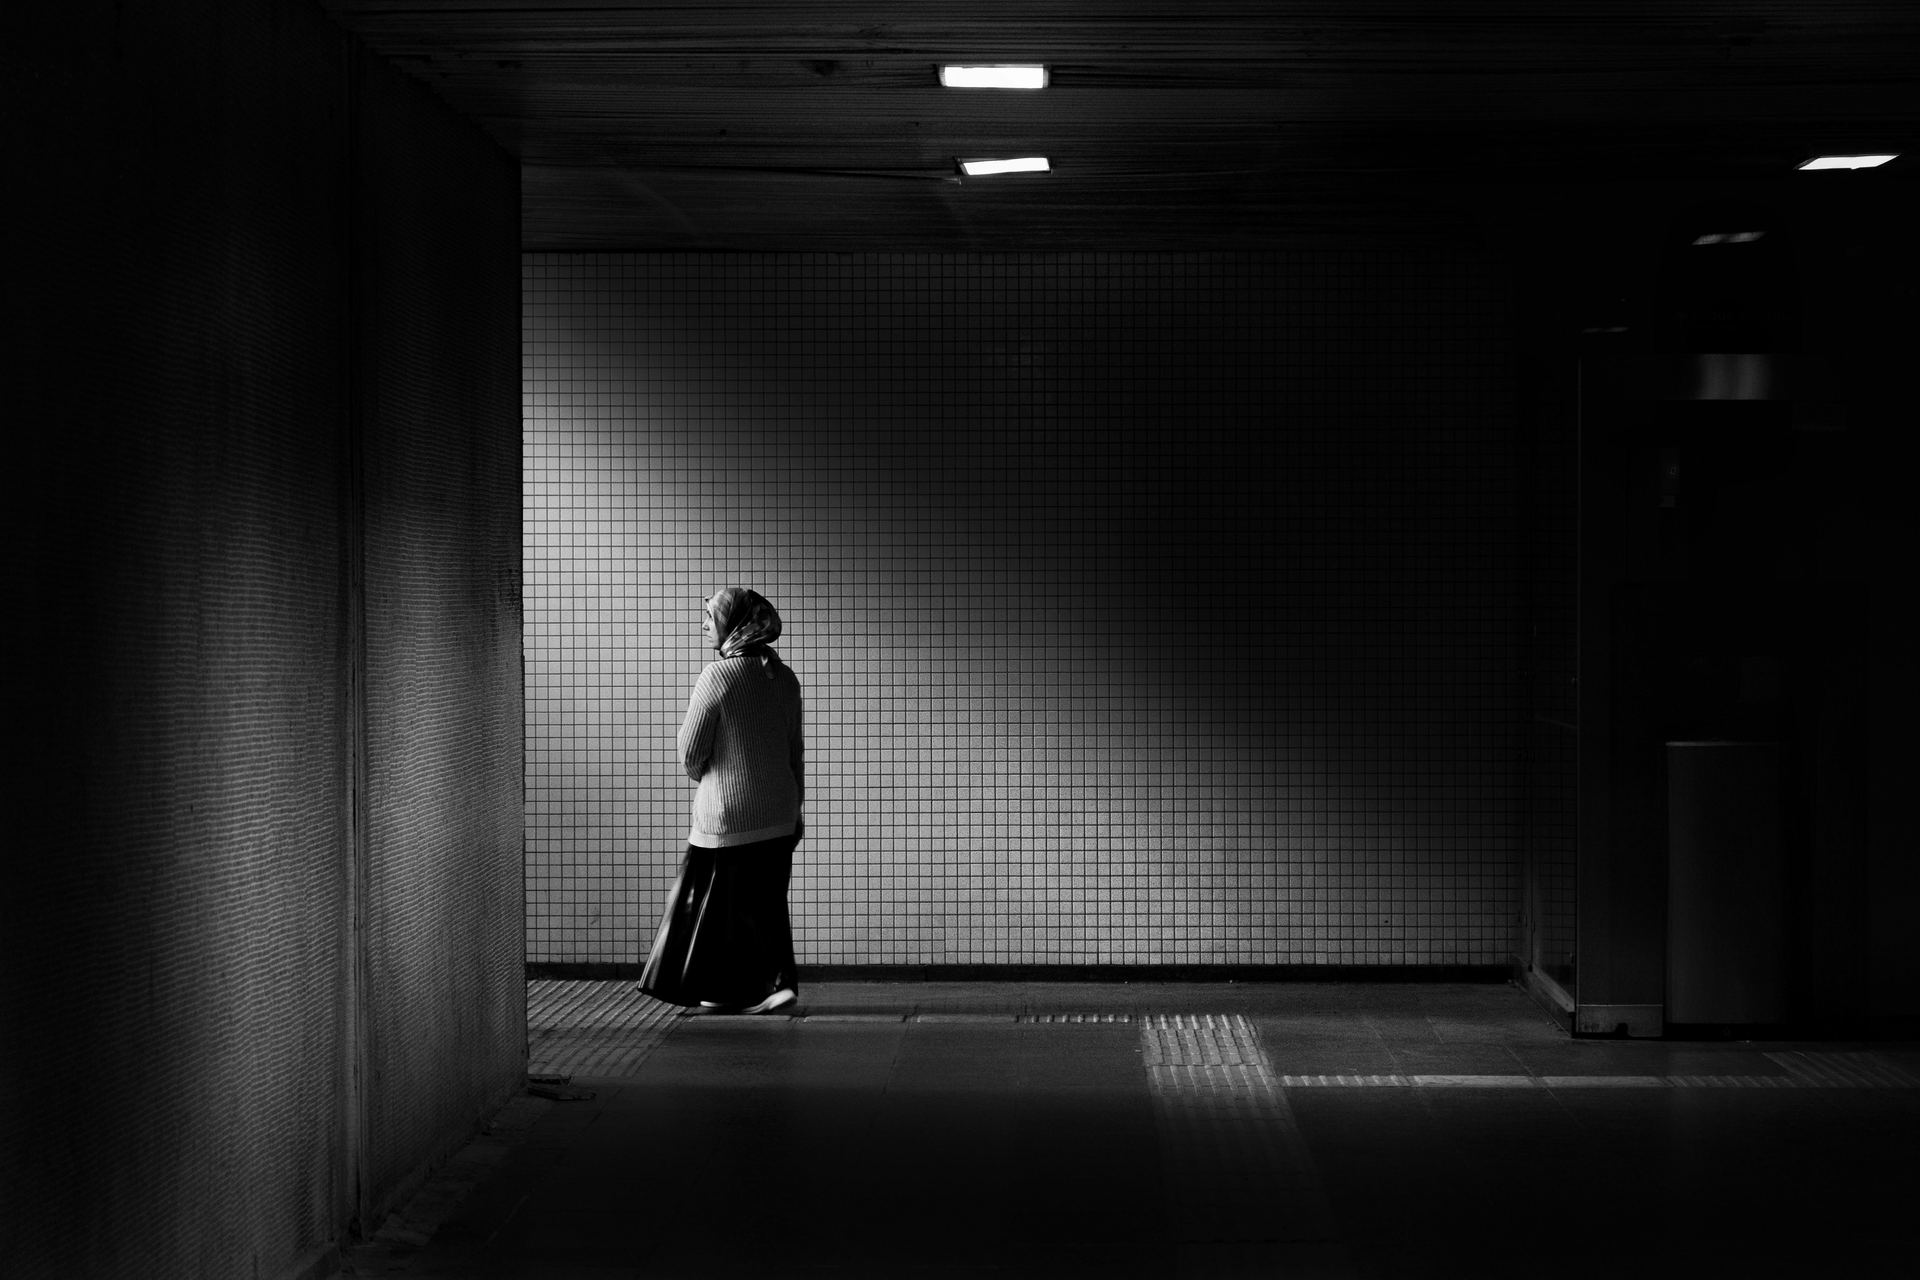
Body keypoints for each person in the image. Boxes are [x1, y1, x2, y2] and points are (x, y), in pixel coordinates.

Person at [639, 587, 804, 1014]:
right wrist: (796, 810)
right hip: (780, 811)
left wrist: (705, 774)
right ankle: (775, 983)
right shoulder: (784, 678)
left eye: (709, 619)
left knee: (718, 907)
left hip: (729, 814)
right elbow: (794, 752)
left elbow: (691, 753)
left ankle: (736, 991)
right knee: (765, 902)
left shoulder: (717, 676)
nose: (703, 626)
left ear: (735, 625)